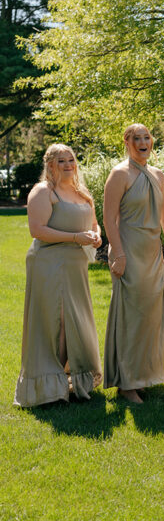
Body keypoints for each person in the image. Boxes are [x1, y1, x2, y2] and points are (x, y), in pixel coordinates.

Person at [14, 144, 102, 407]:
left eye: (71, 160)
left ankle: (72, 376)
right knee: (54, 319)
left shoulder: (81, 192)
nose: (68, 165)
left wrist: (96, 236)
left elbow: (94, 223)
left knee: (75, 319)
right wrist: (76, 237)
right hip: (49, 263)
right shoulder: (43, 191)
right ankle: (48, 384)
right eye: (61, 160)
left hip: (76, 266)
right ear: (50, 165)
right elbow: (37, 229)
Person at [102, 123, 164, 403]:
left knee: (150, 318)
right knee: (131, 317)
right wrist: (118, 253)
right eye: (137, 138)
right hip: (128, 253)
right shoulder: (119, 174)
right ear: (127, 142)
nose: (143, 142)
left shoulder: (158, 175)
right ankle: (126, 383)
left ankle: (143, 375)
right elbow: (109, 219)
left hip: (152, 254)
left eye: (147, 137)